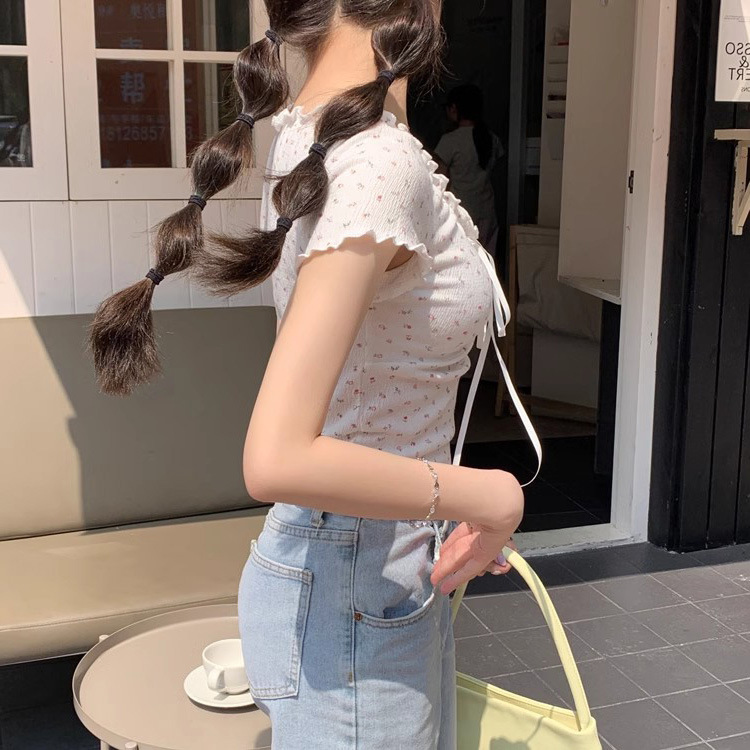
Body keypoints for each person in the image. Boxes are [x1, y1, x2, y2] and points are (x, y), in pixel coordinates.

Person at [88, 2, 525, 747]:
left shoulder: (319, 134)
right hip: (357, 585)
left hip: (364, 576)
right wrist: (491, 493)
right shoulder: (376, 161)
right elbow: (277, 457)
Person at [434, 84, 504, 257]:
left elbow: (439, 181)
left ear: (454, 108)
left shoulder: (450, 140)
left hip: (462, 213)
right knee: (487, 260)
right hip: (487, 211)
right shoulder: (491, 138)